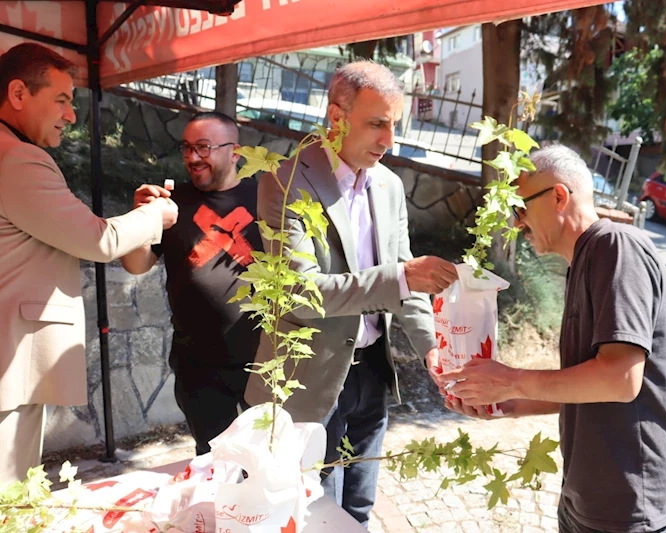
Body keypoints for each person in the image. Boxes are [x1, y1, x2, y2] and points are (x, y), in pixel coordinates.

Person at [244, 61, 458, 527]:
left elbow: (408, 280)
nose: (389, 140)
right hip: (307, 382)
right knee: (309, 515)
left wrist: (432, 349)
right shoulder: (286, 181)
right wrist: (402, 277)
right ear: (336, 117)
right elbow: (301, 293)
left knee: (358, 509)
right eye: (377, 124)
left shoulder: (390, 185)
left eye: (394, 124)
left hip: (371, 378)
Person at [440, 145, 666, 533]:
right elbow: (589, 386)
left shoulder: (616, 246)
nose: (517, 223)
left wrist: (510, 379)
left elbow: (620, 379)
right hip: (585, 503)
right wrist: (510, 403)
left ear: (558, 196)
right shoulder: (584, 262)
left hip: (632, 512)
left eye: (521, 208)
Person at [0, 42, 178, 482]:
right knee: (10, 494)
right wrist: (154, 216)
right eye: (61, 99)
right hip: (9, 366)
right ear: (18, 93)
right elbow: (98, 240)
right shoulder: (18, 159)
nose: (71, 115)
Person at [120, 111, 262, 455]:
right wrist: (141, 217)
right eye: (187, 147)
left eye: (204, 147)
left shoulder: (266, 199)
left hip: (262, 360)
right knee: (213, 463)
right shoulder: (170, 205)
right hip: (199, 365)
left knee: (265, 460)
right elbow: (136, 265)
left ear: (235, 152)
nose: (193, 157)